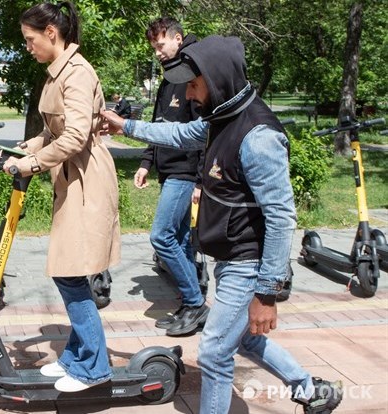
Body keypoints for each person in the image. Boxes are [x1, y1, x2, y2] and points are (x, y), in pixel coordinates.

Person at [100, 35, 343, 414]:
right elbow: (179, 134)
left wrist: (267, 294)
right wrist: (125, 126)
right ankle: (310, 390)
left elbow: (282, 218)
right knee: (244, 339)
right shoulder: (220, 118)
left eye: (195, 84)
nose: (191, 94)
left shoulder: (258, 136)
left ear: (216, 80)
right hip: (229, 256)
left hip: (249, 263)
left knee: (214, 352)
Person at [3, 1, 120, 393]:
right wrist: (27, 148)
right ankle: (75, 357)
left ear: (51, 33)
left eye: (30, 39)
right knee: (68, 271)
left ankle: (94, 367)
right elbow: (54, 133)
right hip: (71, 177)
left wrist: (33, 164)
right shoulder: (57, 73)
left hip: (87, 181)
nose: (28, 47)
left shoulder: (77, 73)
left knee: (69, 272)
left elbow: (74, 136)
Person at [142, 17, 207, 337]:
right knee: (179, 241)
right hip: (169, 170)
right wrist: (145, 162)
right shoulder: (169, 77)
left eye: (160, 44)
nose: (157, 52)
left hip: (184, 172)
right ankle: (189, 305)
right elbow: (158, 124)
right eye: (153, 47)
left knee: (161, 237)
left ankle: (195, 302)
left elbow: (205, 132)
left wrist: (200, 180)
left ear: (178, 38)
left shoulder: (194, 75)